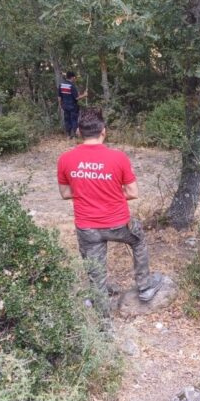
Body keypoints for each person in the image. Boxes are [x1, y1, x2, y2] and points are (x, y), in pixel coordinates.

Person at [57, 107, 163, 306]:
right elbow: (132, 192)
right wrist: (110, 193)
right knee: (138, 240)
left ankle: (99, 301)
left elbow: (64, 193)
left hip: (87, 227)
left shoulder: (65, 159)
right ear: (103, 131)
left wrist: (87, 192)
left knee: (94, 262)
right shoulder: (118, 157)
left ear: (79, 132)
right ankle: (145, 286)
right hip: (117, 224)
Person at [57, 71, 88, 138]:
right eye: (74, 77)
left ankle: (68, 135)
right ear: (72, 77)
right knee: (74, 119)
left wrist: (60, 105)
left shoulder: (61, 85)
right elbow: (77, 98)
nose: (74, 78)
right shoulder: (72, 86)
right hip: (73, 106)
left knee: (67, 119)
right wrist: (84, 95)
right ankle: (75, 135)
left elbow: (59, 97)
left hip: (64, 106)